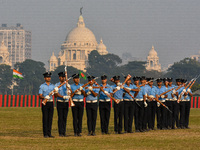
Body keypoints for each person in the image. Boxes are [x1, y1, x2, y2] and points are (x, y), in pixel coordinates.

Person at [39, 72, 57, 138]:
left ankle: (49, 133)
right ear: (44, 78)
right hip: (45, 102)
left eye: (49, 77)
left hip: (51, 102)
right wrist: (45, 97)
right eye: (47, 77)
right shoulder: (42, 86)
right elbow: (40, 96)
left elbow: (55, 96)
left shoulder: (53, 86)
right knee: (45, 118)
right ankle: (45, 133)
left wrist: (56, 91)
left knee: (50, 118)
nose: (48, 78)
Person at [54, 72, 71, 137]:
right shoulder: (57, 85)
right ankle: (60, 132)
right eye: (62, 77)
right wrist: (62, 96)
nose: (63, 78)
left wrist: (69, 89)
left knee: (65, 118)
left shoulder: (66, 84)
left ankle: (64, 132)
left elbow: (70, 93)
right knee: (60, 117)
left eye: (64, 77)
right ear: (59, 78)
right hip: (60, 102)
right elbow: (56, 94)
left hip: (66, 102)